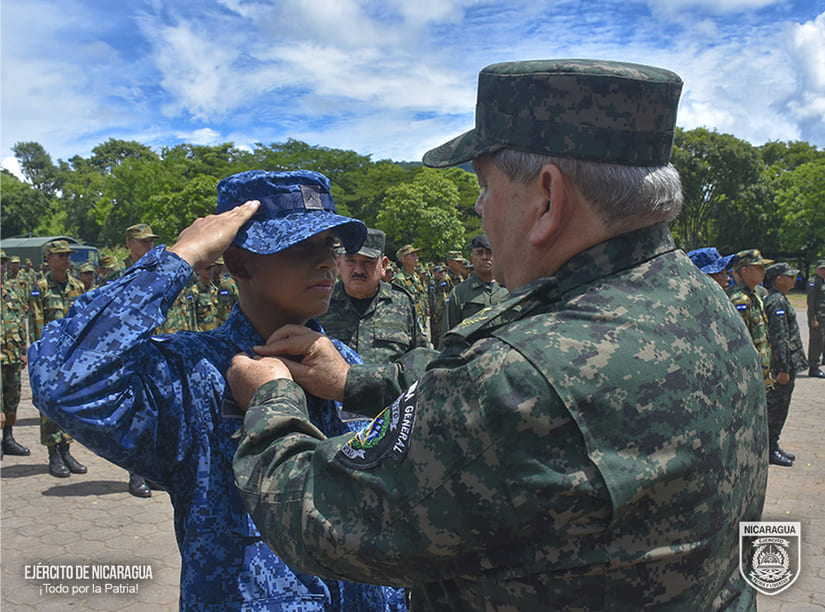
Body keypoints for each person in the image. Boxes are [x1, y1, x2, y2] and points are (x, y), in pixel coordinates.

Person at [228, 59, 767, 609]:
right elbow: (480, 372)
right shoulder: (693, 296)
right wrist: (356, 381)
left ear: (549, 198)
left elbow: (313, 513)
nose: (479, 208)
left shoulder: (522, 378)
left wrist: (271, 402)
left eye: (485, 186)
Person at [28, 170, 404, 611]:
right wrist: (178, 258)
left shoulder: (344, 366)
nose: (326, 262)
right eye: (302, 247)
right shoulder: (195, 371)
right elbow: (64, 382)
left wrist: (345, 382)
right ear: (240, 262)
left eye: (330, 246)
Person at [103, 223, 164, 497]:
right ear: (129, 244)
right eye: (143, 241)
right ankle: (135, 473)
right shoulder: (118, 274)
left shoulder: (161, 269)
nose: (149, 245)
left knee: (157, 409)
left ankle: (153, 471)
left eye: (151, 241)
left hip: (156, 345)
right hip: (128, 348)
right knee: (134, 410)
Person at [317, 228, 428, 363]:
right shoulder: (319, 303)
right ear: (339, 263)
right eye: (351, 261)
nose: (358, 270)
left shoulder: (402, 303)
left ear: (383, 265)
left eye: (368, 261)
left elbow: (421, 358)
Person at [28, 240, 87, 478]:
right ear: (49, 259)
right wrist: (41, 357)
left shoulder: (77, 286)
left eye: (68, 255)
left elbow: (83, 321)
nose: (66, 259)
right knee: (49, 404)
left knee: (69, 402)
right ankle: (54, 454)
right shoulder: (40, 287)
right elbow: (36, 322)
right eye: (60, 255)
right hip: (51, 357)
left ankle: (66, 450)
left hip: (72, 356)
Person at [764, 262, 808, 467]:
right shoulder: (776, 302)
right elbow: (778, 338)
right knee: (776, 409)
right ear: (779, 279)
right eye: (789, 276)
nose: (793, 279)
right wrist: (783, 368)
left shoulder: (780, 300)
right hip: (783, 367)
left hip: (788, 364)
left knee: (781, 408)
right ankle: (770, 449)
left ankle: (774, 445)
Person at [440, 234, 508, 339]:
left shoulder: (512, 288)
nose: (485, 257)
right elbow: (448, 336)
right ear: (472, 258)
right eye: (479, 253)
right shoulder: (459, 293)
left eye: (489, 252)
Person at [729, 249, 776, 393]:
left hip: (761, 372)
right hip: (749, 376)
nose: (764, 271)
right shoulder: (740, 300)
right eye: (758, 267)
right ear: (745, 270)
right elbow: (739, 342)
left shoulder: (755, 295)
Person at [1, 250, 31, 457]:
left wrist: (23, 351)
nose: (1, 267)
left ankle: (8, 438)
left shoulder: (13, 291)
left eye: (3, 263)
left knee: (13, 397)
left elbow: (20, 321)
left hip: (11, 355)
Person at [394, 244, 429, 336]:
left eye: (416, 255)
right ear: (404, 259)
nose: (416, 257)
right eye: (413, 255)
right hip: (408, 326)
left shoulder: (416, 277)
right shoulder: (399, 280)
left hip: (420, 322)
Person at [807, 259, 825, 378]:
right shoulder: (813, 282)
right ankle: (813, 367)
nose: (824, 271)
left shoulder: (823, 281)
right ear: (816, 269)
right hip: (818, 316)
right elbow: (811, 302)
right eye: (822, 269)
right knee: (816, 341)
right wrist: (813, 319)